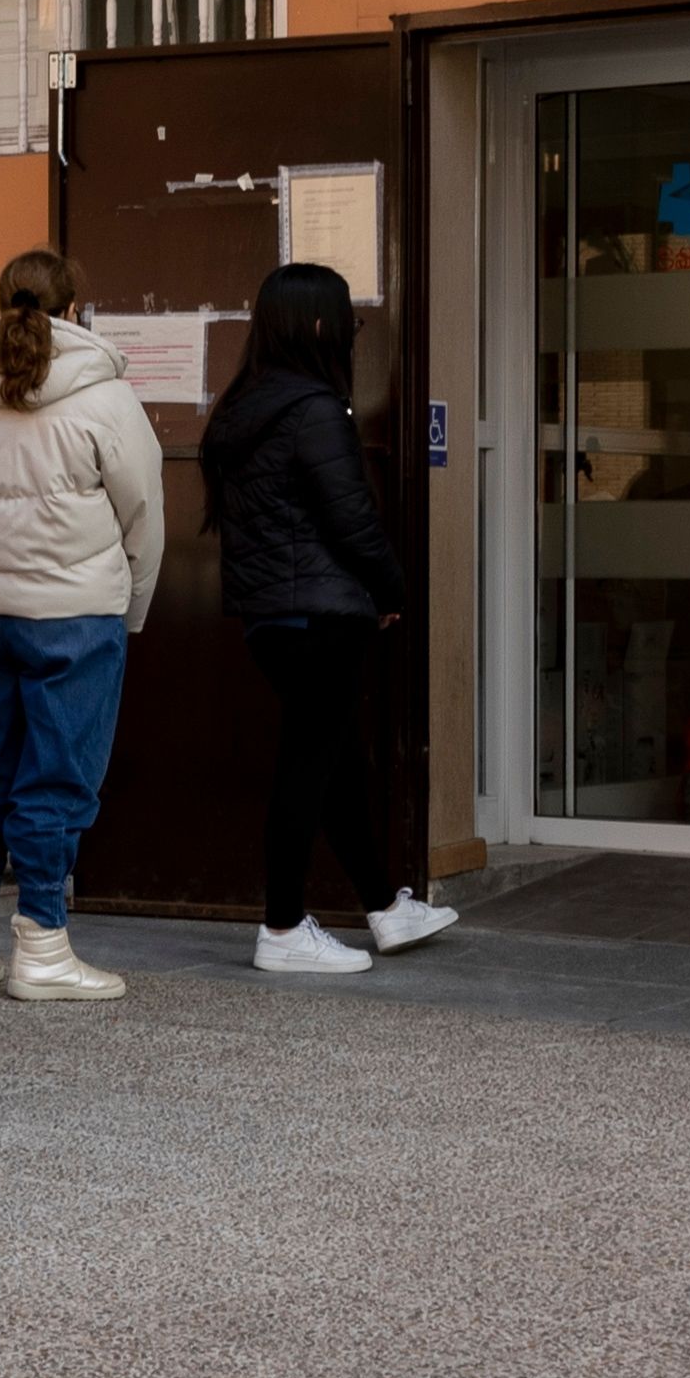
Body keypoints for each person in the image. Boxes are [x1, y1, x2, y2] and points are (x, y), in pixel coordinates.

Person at [198, 261, 456, 977]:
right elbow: (351, 517)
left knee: (337, 763)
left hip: (273, 618)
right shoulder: (313, 408)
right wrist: (391, 586)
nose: (351, 332)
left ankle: (384, 907)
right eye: (348, 319)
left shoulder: (243, 406)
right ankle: (281, 929)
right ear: (318, 325)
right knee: (310, 766)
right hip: (321, 614)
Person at [0, 250, 164, 1004]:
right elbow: (142, 514)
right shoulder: (103, 395)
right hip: (72, 616)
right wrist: (129, 606)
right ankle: (40, 945)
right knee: (55, 780)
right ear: (74, 310)